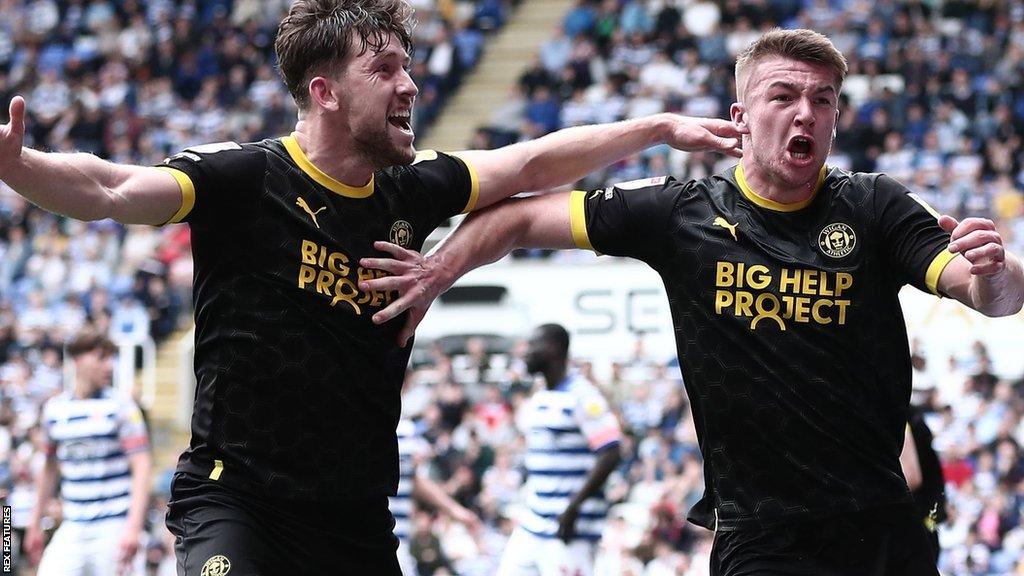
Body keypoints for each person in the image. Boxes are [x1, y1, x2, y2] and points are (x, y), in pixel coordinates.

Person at [0, 0, 744, 571]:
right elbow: (109, 188)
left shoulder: (409, 191)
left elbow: (528, 167)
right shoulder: (246, 177)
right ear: (324, 91)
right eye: (384, 69)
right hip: (237, 500)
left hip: (354, 516)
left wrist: (656, 127)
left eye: (409, 67)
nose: (411, 85)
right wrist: (19, 166)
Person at [358, 28, 1024, 575]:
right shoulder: (684, 214)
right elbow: (521, 215)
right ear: (739, 117)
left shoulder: (875, 205)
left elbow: (991, 297)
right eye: (783, 96)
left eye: (823, 101)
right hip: (762, 536)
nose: (805, 114)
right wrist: (440, 268)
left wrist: (993, 271)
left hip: (880, 530)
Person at [24, 328, 152, 576]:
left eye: (111, 358)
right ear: (77, 360)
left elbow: (142, 465)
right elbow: (49, 469)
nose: (109, 366)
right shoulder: (55, 410)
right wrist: (34, 524)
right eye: (101, 358)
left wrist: (133, 527)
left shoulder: (122, 406)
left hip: (113, 526)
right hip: (73, 526)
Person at [498, 323, 622, 576]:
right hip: (533, 523)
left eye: (533, 345)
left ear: (553, 349)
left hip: (568, 530)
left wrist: (574, 506)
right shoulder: (541, 395)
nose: (526, 352)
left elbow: (611, 452)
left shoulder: (582, 395)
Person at [391, 416, 481, 576]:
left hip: (395, 541)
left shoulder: (402, 429)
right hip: (380, 542)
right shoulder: (394, 427)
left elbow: (412, 478)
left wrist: (455, 510)